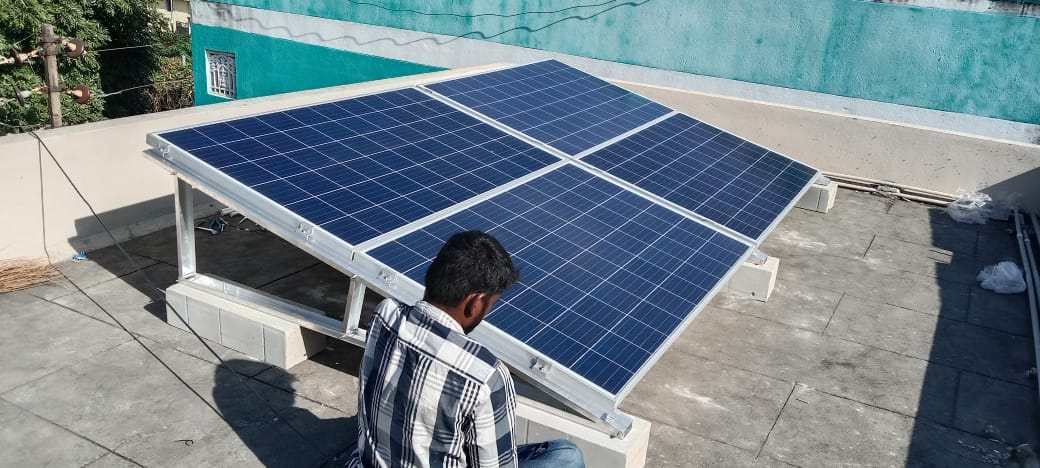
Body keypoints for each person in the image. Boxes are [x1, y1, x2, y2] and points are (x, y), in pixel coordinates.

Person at [347, 231, 584, 468]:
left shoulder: (385, 314)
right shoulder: (484, 376)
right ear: (475, 303)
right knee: (568, 457)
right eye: (491, 305)